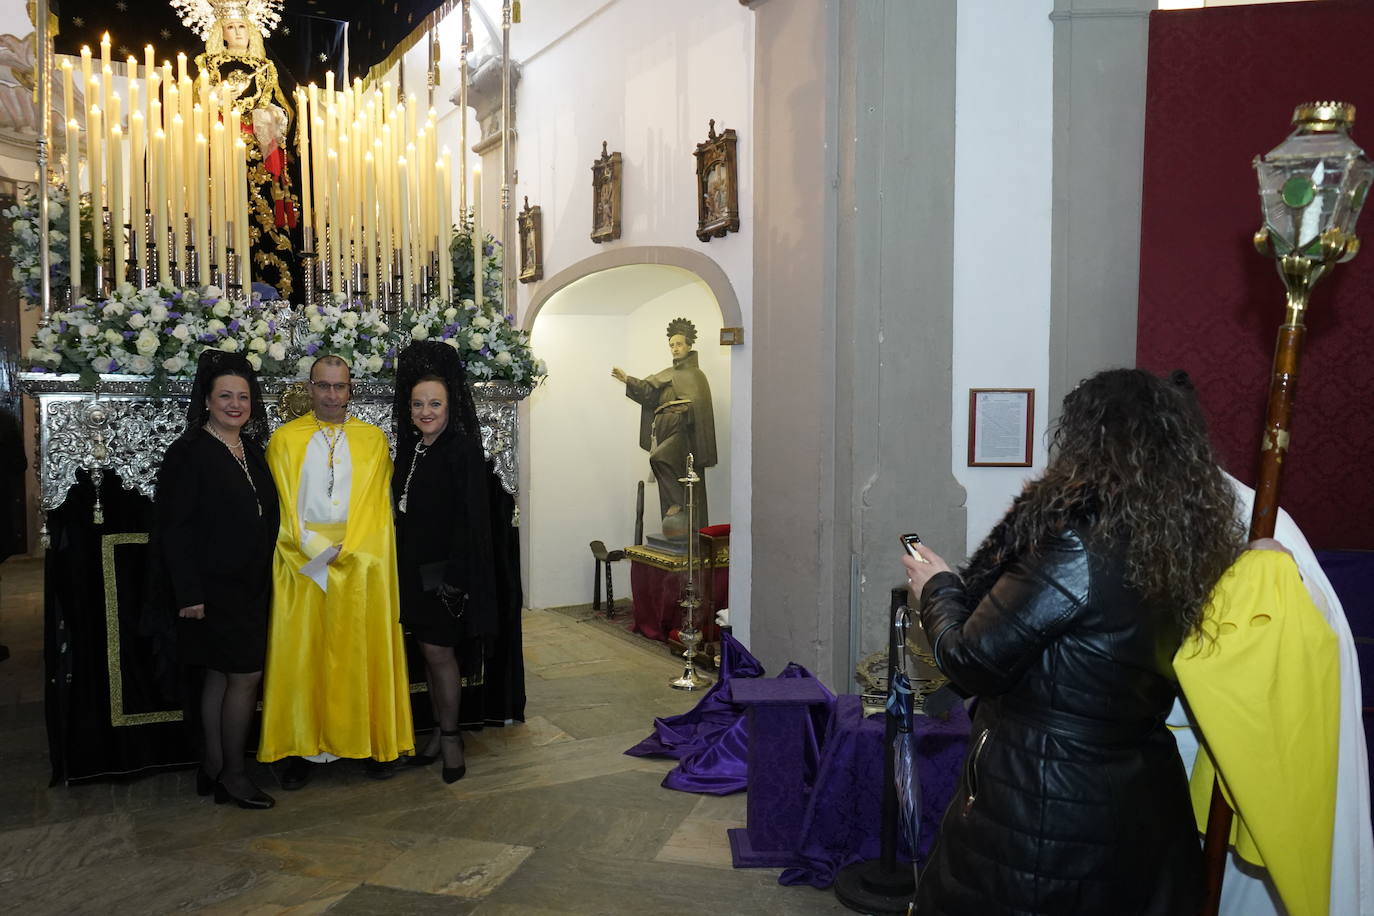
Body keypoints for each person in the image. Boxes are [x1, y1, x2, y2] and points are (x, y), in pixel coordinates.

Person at [902, 368, 1247, 915]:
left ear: (1092, 440)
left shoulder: (1079, 543)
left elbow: (971, 661)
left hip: (1046, 800)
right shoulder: (1180, 543)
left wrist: (937, 587)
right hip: (1137, 791)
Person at [258, 354, 412, 787]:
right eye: (322, 386)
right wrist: (313, 551)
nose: (330, 395)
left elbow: (379, 508)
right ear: (309, 388)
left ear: (351, 389)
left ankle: (370, 742)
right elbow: (282, 509)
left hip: (360, 563)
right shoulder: (285, 440)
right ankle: (299, 749)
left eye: (338, 386)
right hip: (302, 565)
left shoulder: (373, 440)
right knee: (302, 656)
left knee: (359, 655)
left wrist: (351, 551)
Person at [152, 349, 279, 808]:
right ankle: (234, 774)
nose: (234, 404)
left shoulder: (251, 448)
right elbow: (175, 528)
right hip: (213, 589)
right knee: (244, 676)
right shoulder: (188, 452)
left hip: (250, 585)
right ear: (206, 400)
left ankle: (212, 765)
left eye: (243, 397)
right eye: (224, 396)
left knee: (220, 678)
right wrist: (189, 594)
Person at [391, 341, 499, 783]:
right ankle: (438, 730)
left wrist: (455, 580)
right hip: (414, 574)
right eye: (418, 404)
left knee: (440, 655)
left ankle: (452, 738)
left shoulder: (461, 450)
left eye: (434, 403)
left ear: (451, 405)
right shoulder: (415, 446)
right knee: (428, 655)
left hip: (445, 577)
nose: (426, 411)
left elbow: (471, 522)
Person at [192, 5, 299, 298]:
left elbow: (284, 108)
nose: (237, 32)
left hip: (257, 154)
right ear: (220, 31)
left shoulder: (266, 67)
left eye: (241, 27)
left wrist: (268, 114)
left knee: (262, 213)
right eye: (230, 27)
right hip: (222, 148)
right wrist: (217, 98)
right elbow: (195, 105)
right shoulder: (208, 64)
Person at [610, 317, 717, 529]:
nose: (675, 349)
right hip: (665, 432)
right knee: (662, 465)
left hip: (684, 437)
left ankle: (679, 504)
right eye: (671, 345)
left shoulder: (696, 375)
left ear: (688, 346)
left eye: (679, 344)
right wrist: (627, 379)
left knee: (660, 458)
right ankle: (673, 516)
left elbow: (698, 406)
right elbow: (648, 392)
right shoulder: (668, 374)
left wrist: (684, 409)